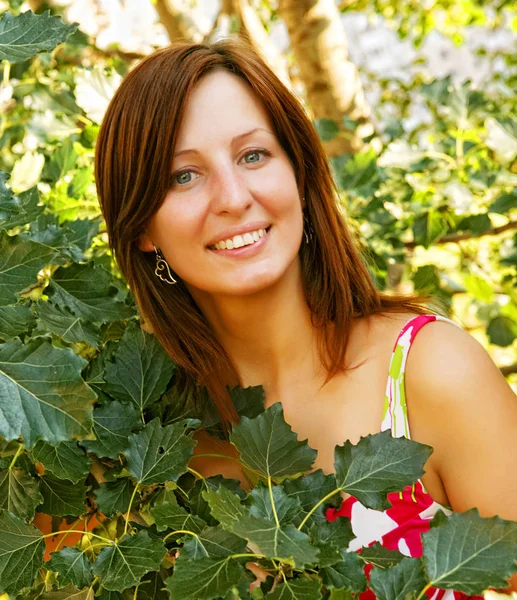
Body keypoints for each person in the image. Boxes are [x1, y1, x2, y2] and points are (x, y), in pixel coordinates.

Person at [94, 38, 517, 594]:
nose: (233, 197)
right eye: (183, 176)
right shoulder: (139, 449)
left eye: (253, 156)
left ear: (299, 174)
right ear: (142, 226)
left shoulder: (428, 373)